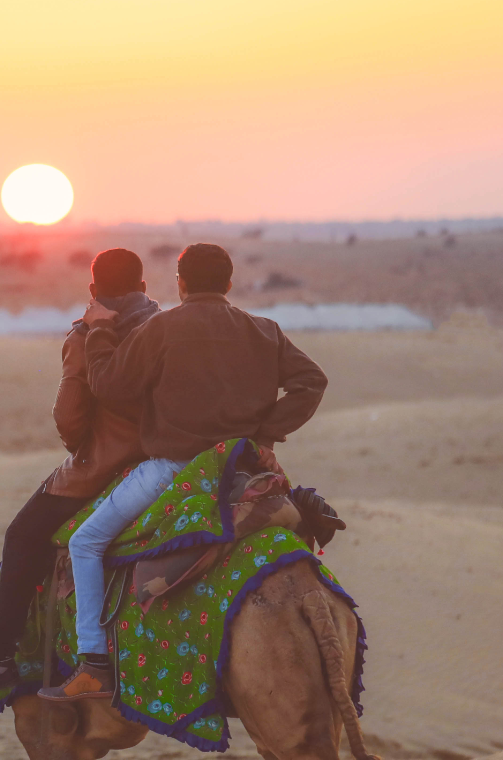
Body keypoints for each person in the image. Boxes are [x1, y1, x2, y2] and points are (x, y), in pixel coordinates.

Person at [39, 242, 328, 702]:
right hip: (242, 467)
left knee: (84, 541)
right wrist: (264, 436)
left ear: (181, 283)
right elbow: (312, 381)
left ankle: (93, 664)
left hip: (173, 470)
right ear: (229, 284)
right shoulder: (264, 331)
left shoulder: (164, 329)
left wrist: (97, 334)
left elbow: (110, 385)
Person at [0, 248, 161, 700]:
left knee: (22, 536)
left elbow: (69, 419)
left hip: (102, 469)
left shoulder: (86, 337)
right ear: (143, 288)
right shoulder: (164, 328)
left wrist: (82, 447)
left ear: (92, 290)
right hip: (168, 461)